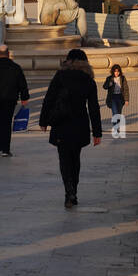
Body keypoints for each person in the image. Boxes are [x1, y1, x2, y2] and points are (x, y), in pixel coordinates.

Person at [41, 50, 103, 209]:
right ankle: (73, 190)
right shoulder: (88, 80)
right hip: (79, 124)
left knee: (64, 159)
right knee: (75, 158)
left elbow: (49, 98)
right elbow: (94, 108)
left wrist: (43, 121)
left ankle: (69, 192)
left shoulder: (60, 76)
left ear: (68, 60)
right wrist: (97, 132)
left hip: (61, 123)